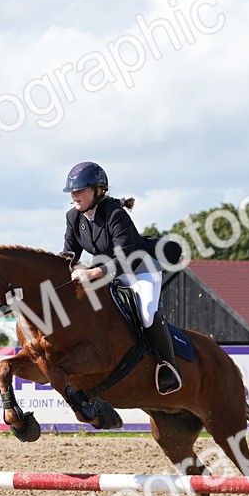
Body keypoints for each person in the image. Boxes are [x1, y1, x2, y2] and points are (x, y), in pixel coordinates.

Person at [58, 161, 182, 394]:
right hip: (108, 273)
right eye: (72, 191)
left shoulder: (115, 214)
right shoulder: (73, 217)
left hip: (140, 270)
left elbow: (126, 257)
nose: (74, 195)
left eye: (80, 190)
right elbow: (69, 254)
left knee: (147, 314)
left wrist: (93, 272)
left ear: (98, 191)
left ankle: (168, 366)